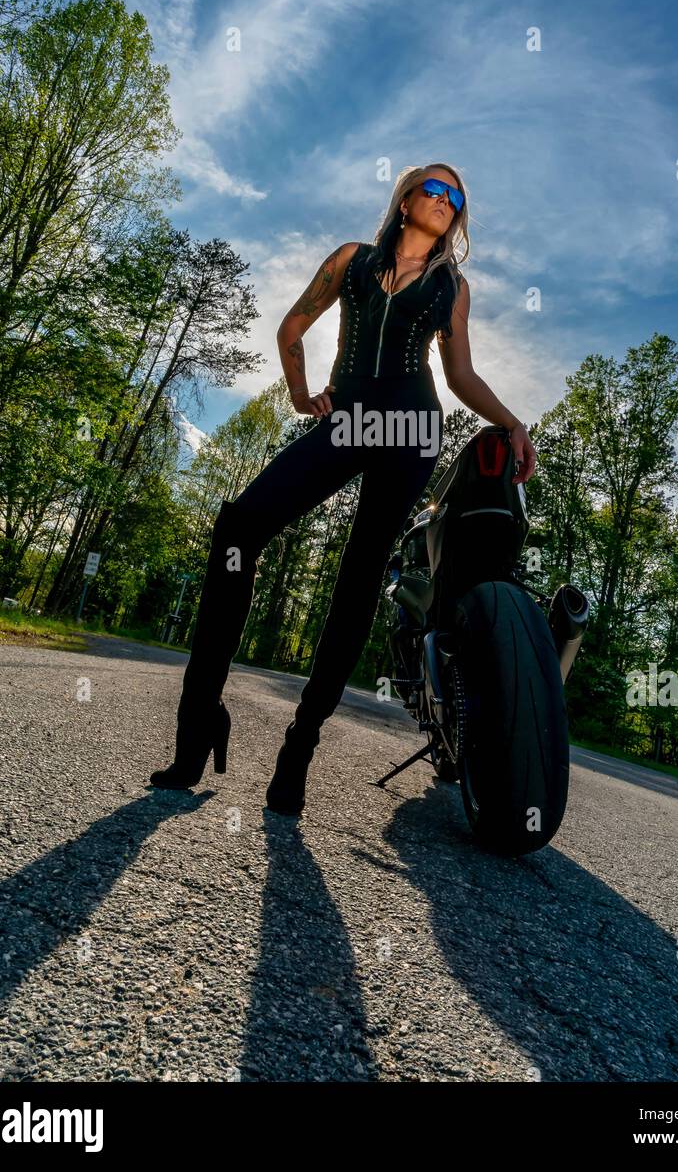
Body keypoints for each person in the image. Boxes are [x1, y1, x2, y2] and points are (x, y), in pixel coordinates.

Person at [149, 162, 536, 812]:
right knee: (241, 527)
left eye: (457, 196)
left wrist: (512, 421)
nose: (446, 200)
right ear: (406, 199)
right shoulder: (351, 260)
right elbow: (293, 326)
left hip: (412, 427)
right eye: (434, 189)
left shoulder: (452, 287)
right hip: (349, 416)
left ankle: (299, 746)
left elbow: (462, 374)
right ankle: (199, 726)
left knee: (358, 579)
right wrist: (301, 395)